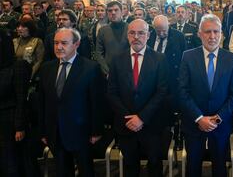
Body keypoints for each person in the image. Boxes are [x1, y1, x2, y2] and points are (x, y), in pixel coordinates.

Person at [178, 14, 233, 177]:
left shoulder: (232, 59)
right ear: (199, 34)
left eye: (216, 32)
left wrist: (217, 118)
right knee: (193, 166)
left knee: (220, 166)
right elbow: (182, 92)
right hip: (194, 123)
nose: (212, 36)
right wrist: (199, 118)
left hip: (220, 124)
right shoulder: (188, 56)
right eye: (207, 32)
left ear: (222, 34)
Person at [38, 28, 105, 177]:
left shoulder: (90, 68)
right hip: (55, 132)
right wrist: (43, 130)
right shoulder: (46, 68)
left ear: (76, 44)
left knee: (86, 171)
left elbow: (96, 102)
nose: (59, 47)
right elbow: (42, 102)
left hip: (82, 132)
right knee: (62, 171)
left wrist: (96, 131)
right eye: (56, 43)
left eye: (64, 43)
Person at [107, 19, 168, 177]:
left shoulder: (160, 59)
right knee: (129, 165)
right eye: (132, 33)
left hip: (151, 124)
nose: (136, 36)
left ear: (148, 35)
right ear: (127, 36)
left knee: (154, 163)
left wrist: (141, 117)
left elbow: (162, 92)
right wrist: (129, 118)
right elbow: (112, 92)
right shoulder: (116, 60)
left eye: (141, 33)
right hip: (126, 124)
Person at [0, 29, 32, 176]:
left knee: (11, 161)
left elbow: (21, 98)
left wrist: (20, 127)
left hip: (10, 122)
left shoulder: (18, 66)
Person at [95, 1, 129, 76]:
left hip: (127, 71)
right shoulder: (103, 30)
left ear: (122, 12)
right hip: (108, 72)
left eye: (116, 10)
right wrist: (107, 71)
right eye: (110, 11)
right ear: (107, 13)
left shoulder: (130, 29)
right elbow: (99, 53)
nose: (113, 13)